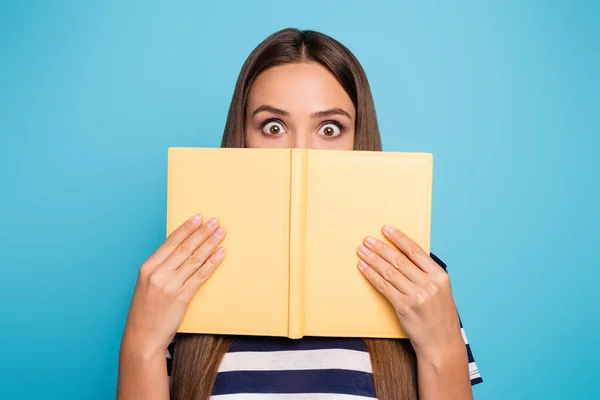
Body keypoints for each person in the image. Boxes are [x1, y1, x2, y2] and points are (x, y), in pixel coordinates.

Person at [117, 28, 483, 400]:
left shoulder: (418, 280)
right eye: (273, 127)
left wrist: (442, 347)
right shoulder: (178, 277)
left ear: (359, 140)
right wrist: (141, 345)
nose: (300, 154)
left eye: (330, 128)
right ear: (242, 138)